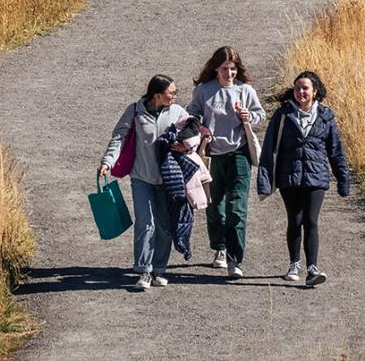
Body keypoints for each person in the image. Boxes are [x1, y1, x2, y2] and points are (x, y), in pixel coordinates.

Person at [256, 71, 350, 286]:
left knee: (311, 220)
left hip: (316, 177)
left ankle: (312, 269)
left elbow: (335, 150)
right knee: (295, 220)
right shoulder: (283, 115)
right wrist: (265, 181)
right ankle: (294, 264)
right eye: (298, 88)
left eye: (305, 88)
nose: (301, 92)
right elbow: (270, 149)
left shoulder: (326, 116)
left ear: (315, 91)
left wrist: (342, 179)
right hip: (289, 177)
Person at [100, 75, 191, 290]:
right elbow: (119, 137)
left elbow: (194, 134)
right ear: (157, 95)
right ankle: (144, 270)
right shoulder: (134, 111)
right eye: (171, 93)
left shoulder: (178, 112)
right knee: (145, 222)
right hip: (141, 177)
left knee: (164, 225)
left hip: (168, 180)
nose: (174, 96)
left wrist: (186, 146)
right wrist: (108, 161)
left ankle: (159, 268)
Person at [186, 46, 265, 279]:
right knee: (215, 207)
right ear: (215, 68)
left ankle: (235, 260)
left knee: (237, 209)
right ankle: (219, 248)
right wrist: (201, 127)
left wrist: (249, 117)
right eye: (224, 69)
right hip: (211, 156)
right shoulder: (204, 91)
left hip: (239, 154)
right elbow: (192, 114)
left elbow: (260, 114)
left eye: (232, 69)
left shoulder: (246, 90)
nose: (229, 74)